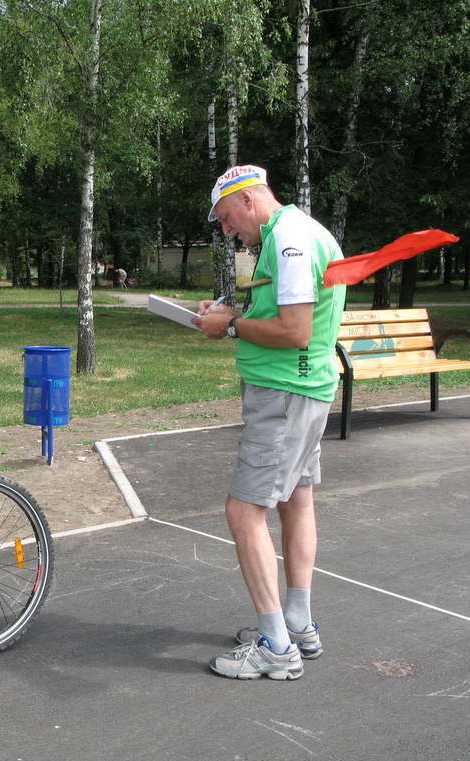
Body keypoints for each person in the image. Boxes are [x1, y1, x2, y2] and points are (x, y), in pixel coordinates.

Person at [192, 165, 346, 681]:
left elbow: (295, 330)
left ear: (248, 200)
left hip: (285, 393)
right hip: (305, 388)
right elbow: (286, 312)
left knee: (243, 511)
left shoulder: (288, 239)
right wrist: (228, 314)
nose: (227, 230)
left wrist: (231, 325)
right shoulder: (303, 230)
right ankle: (297, 624)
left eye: (226, 217)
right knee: (296, 499)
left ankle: (277, 647)